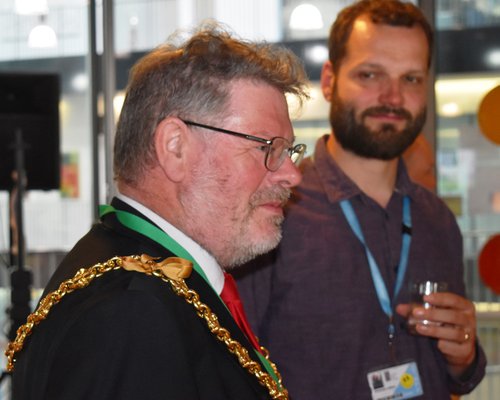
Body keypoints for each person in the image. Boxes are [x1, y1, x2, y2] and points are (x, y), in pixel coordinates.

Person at [8, 22, 309, 400]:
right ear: (175, 147)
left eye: (290, 151)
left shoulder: (132, 275)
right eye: (268, 147)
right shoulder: (130, 311)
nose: (292, 174)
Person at [235, 1, 487, 399]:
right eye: (371, 74)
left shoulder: (437, 220)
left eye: (411, 79)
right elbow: (231, 369)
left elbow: (456, 373)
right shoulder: (274, 211)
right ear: (330, 80)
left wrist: (465, 357)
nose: (392, 96)